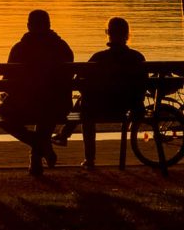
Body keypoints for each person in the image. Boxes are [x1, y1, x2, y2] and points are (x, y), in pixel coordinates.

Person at [54, 16, 147, 169]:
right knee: (85, 102)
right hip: (125, 107)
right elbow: (142, 85)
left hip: (99, 108)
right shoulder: (137, 57)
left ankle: (87, 157)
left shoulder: (99, 57)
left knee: (85, 106)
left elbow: (78, 81)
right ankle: (64, 135)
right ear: (128, 34)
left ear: (108, 33)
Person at [0, 9, 74, 175]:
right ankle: (39, 151)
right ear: (49, 25)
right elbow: (68, 79)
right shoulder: (62, 47)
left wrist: (9, 94)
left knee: (0, 117)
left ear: (29, 26)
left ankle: (38, 143)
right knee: (47, 107)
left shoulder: (20, 48)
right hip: (60, 105)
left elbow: (7, 82)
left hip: (28, 104)